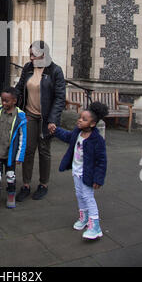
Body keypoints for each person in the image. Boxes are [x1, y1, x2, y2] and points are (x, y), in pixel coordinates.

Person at [15, 41, 66, 202]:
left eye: (34, 55)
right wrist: (9, 99)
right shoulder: (28, 68)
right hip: (29, 114)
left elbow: (59, 98)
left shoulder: (55, 70)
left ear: (44, 54)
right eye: (29, 54)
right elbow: (20, 87)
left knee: (44, 151)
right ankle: (26, 185)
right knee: (28, 150)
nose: (30, 58)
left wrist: (53, 120)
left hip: (46, 118)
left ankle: (43, 184)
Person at [49, 102, 108, 240]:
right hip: (76, 171)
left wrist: (98, 179)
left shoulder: (97, 140)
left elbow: (101, 161)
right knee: (79, 194)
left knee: (88, 197)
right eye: (80, 117)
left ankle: (95, 227)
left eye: (84, 119)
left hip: (88, 174)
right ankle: (84, 218)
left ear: (92, 124)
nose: (80, 120)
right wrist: (56, 130)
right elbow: (68, 137)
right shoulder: (78, 132)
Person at [0, 87, 27, 214]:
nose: (3, 103)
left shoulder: (20, 117)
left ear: (14, 101)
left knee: (10, 176)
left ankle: (11, 194)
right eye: (2, 100)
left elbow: (22, 137)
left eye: (7, 101)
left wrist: (20, 155)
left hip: (10, 154)